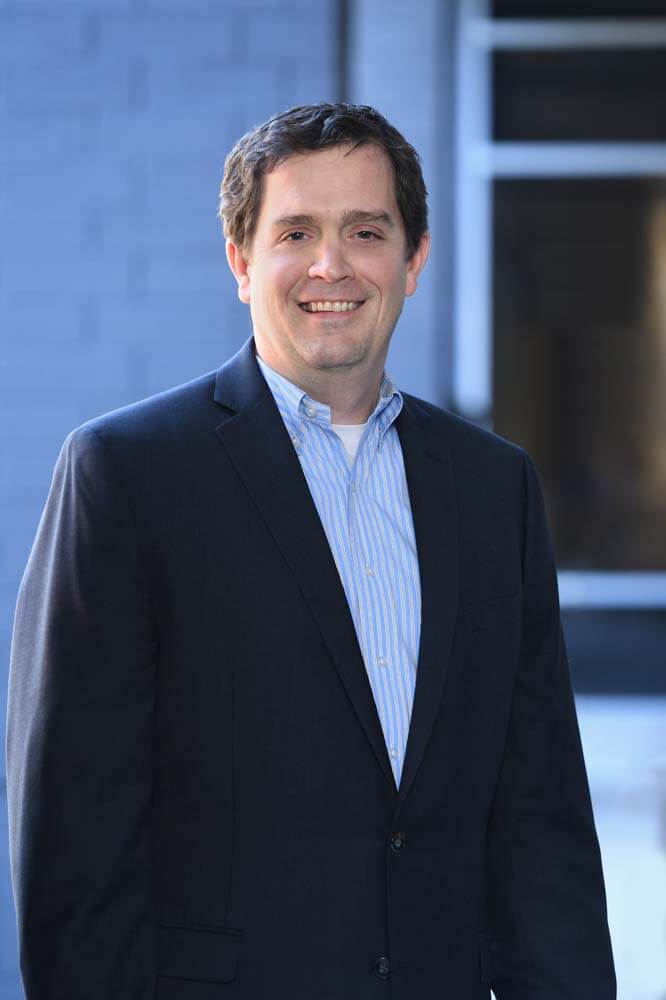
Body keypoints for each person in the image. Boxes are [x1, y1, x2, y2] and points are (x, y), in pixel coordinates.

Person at [7, 102, 615, 999]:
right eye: (296, 233)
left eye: (366, 231)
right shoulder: (127, 473)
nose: (332, 265)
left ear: (414, 260)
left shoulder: (494, 488)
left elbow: (541, 819)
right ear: (240, 261)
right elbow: (74, 832)